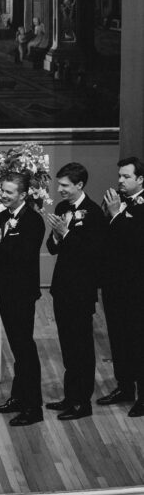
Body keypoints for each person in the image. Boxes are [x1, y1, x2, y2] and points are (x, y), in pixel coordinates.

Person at [0, 173, 45, 426]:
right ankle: (18, 398)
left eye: (9, 192)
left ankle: (33, 407)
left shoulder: (33, 221)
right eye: (3, 191)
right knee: (18, 349)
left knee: (25, 348)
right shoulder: (4, 216)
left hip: (22, 293)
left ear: (23, 194)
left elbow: (24, 257)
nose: (4, 196)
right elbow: (1, 256)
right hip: (6, 290)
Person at [44, 163, 105, 420]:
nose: (60, 190)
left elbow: (92, 253)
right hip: (63, 288)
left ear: (79, 185)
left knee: (82, 347)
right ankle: (70, 396)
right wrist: (58, 237)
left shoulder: (93, 213)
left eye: (65, 185)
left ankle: (82, 402)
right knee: (67, 346)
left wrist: (66, 233)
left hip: (81, 289)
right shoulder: (62, 208)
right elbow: (52, 247)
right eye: (60, 185)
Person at [98, 156, 144, 415]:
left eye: (126, 176)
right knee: (118, 336)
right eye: (120, 176)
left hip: (137, 285)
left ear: (140, 179)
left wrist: (116, 215)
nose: (120, 180)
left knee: (138, 339)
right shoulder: (117, 201)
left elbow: (136, 241)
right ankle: (124, 385)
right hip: (115, 283)